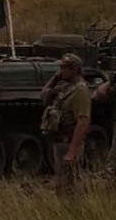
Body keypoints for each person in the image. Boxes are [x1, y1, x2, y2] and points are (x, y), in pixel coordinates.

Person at [40, 53, 93, 189]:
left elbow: (82, 122)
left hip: (69, 141)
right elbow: (44, 95)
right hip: (60, 141)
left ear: (75, 70)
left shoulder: (80, 90)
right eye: (61, 67)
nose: (61, 70)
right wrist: (55, 78)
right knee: (61, 183)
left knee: (68, 185)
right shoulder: (65, 86)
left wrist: (72, 151)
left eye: (65, 68)